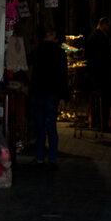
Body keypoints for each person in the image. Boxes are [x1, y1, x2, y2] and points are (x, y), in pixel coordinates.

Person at [27, 28, 68, 169]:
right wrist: (63, 96)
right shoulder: (58, 52)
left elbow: (27, 59)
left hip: (40, 92)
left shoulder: (41, 50)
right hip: (50, 94)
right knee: (49, 127)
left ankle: (41, 158)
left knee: (41, 127)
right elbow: (63, 75)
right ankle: (51, 159)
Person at [86, 17, 111, 132]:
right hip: (101, 74)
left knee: (102, 100)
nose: (109, 28)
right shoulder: (98, 37)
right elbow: (102, 56)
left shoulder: (96, 36)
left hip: (99, 73)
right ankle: (102, 124)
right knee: (104, 100)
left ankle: (98, 122)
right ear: (103, 24)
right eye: (108, 25)